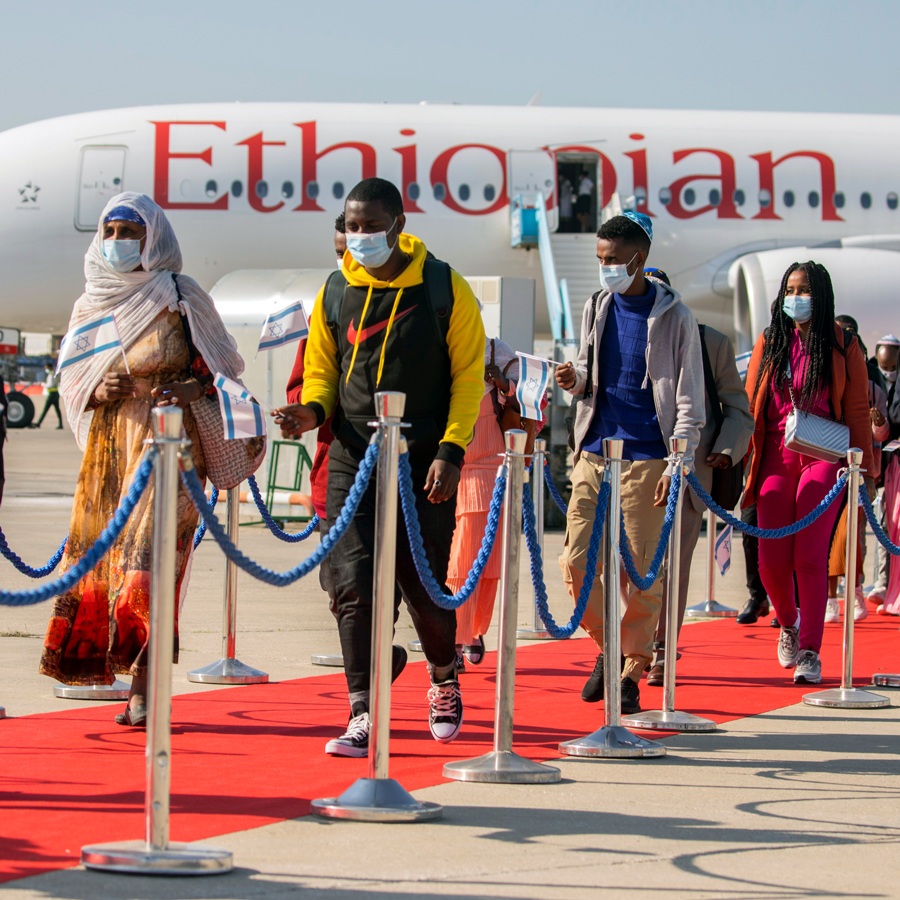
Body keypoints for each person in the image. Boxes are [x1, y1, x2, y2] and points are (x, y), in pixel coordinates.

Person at [273, 177, 485, 756]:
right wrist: (309, 412)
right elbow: (321, 368)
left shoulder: (445, 288)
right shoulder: (337, 289)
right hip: (352, 456)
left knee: (422, 587)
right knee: (353, 586)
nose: (358, 235)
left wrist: (451, 449)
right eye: (351, 225)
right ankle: (362, 707)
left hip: (422, 459)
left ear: (398, 225)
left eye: (369, 226)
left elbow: (469, 378)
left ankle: (443, 676)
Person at [39, 192, 254, 727]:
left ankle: (146, 683)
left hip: (172, 446)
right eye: (109, 231)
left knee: (150, 562)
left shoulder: (181, 295)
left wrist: (188, 386)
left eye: (130, 232)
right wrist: (95, 387)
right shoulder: (93, 301)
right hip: (110, 449)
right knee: (105, 562)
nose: (118, 243)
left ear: (153, 236)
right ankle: (107, 666)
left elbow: (224, 364)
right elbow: (71, 376)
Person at [556, 212, 705, 714]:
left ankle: (632, 667)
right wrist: (573, 379)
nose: (605, 269)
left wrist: (678, 460)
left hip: (648, 456)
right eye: (600, 260)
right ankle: (612, 648)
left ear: (638, 260)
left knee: (642, 573)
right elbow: (586, 368)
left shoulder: (676, 318)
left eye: (613, 261)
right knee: (576, 563)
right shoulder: (598, 304)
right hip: (595, 450)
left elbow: (689, 400)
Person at [743, 261, 874, 685]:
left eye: (803, 290)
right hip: (776, 455)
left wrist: (864, 469)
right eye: (789, 290)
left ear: (820, 295)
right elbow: (750, 403)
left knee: (810, 558)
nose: (795, 298)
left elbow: (856, 408)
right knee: (770, 561)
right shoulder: (770, 340)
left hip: (824, 455)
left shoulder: (842, 343)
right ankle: (788, 623)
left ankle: (811, 652)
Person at [647, 277, 753, 686]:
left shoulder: (711, 342)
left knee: (673, 568)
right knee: (627, 567)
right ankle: (632, 643)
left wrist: (727, 449)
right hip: (630, 471)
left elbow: (738, 409)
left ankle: (660, 650)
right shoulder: (618, 334)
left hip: (689, 474)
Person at [448, 337, 518, 670]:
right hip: (446, 464)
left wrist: (503, 384)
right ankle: (457, 634)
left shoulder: (494, 350)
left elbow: (536, 393)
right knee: (455, 558)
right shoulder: (435, 349)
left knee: (481, 561)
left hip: (488, 465)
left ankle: (467, 633)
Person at [866, 334, 900, 610]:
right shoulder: (870, 381)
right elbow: (883, 431)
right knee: (886, 523)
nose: (887, 371)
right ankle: (882, 582)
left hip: (894, 462)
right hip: (884, 462)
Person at [31, 363, 63, 429]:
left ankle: (38, 423)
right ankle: (60, 424)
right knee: (57, 410)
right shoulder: (55, 374)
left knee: (45, 409)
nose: (45, 369)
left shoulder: (51, 375)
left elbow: (50, 385)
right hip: (55, 393)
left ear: (49, 367)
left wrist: (42, 384)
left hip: (52, 394)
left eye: (46, 368)